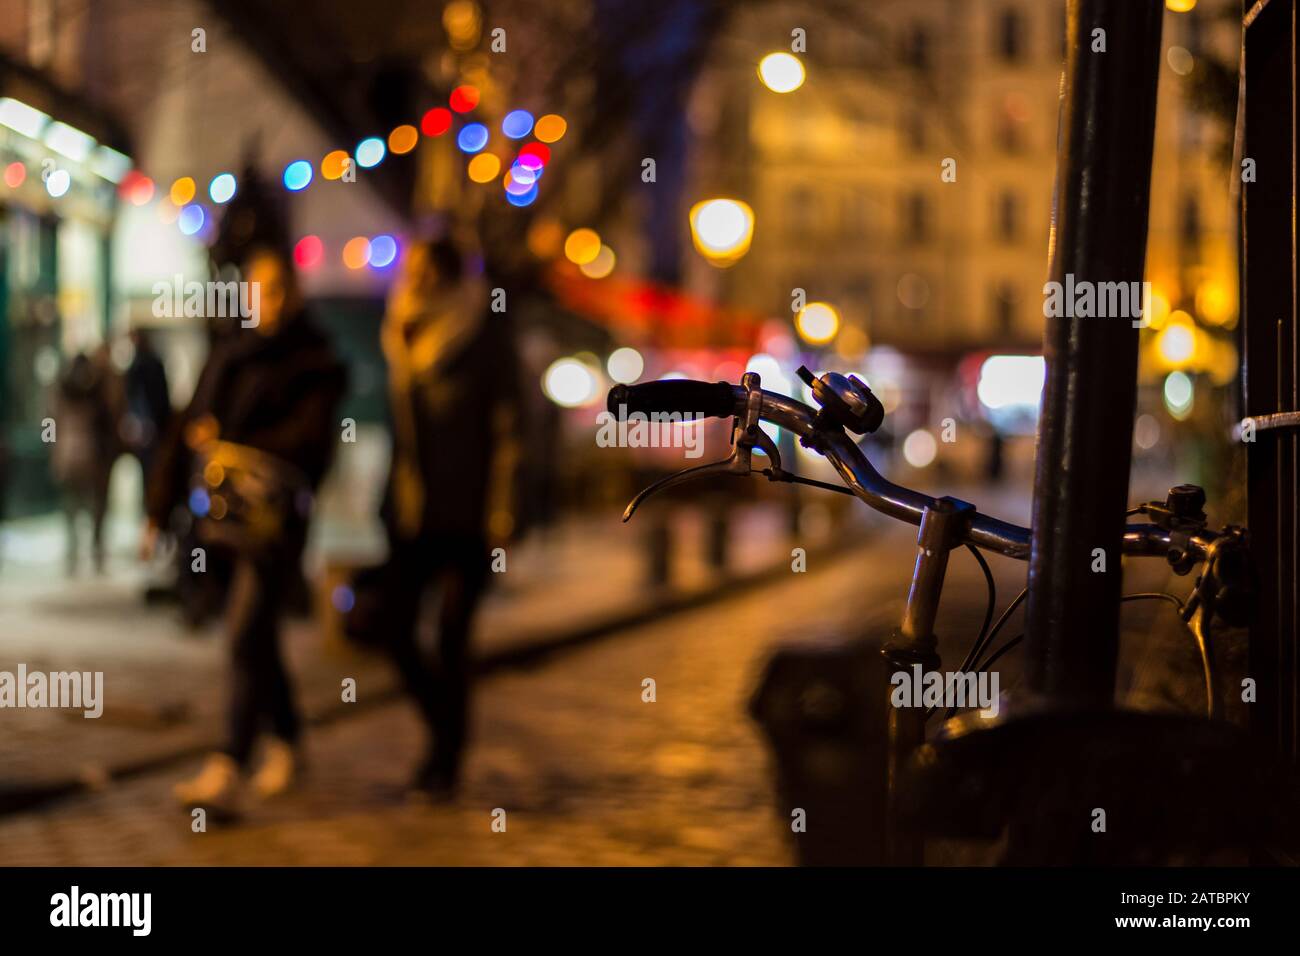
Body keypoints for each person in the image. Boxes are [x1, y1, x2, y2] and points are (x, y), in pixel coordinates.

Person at [145, 246, 346, 815]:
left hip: (272, 526)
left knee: (243, 631)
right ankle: (289, 739)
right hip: (218, 522)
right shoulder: (229, 355)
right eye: (258, 290)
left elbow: (310, 444)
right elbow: (186, 424)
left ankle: (229, 761)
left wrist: (235, 448)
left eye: (277, 290)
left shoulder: (315, 362)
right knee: (258, 638)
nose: (266, 302)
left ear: (295, 293)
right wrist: (158, 509)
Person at [378, 237, 521, 799]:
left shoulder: (483, 334)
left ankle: (445, 760)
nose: (413, 279)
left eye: (424, 270)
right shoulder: (401, 329)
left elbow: (510, 431)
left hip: (469, 512)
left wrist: (502, 510)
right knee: (392, 628)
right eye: (410, 269)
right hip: (412, 510)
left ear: (447, 275)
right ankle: (443, 732)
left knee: (452, 640)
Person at [50, 349, 123, 575]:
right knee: (94, 507)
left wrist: (53, 448)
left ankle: (75, 555)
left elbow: (49, 424)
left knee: (73, 508)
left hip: (69, 454)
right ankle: (94, 552)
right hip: (91, 455)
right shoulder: (96, 393)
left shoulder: (62, 392)